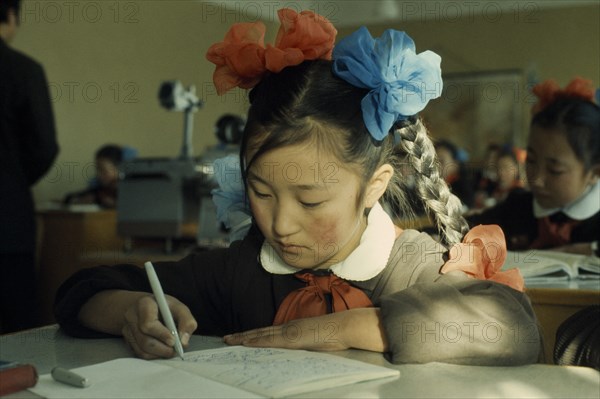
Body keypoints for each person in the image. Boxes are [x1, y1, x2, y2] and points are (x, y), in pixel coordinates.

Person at [54, 10, 540, 365]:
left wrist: (353, 326)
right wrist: (128, 312)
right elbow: (83, 289)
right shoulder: (240, 270)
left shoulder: (411, 267)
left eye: (310, 199)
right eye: (261, 193)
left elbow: (513, 326)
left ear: (374, 186)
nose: (280, 224)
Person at [467, 77, 600, 254]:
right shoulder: (518, 207)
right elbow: (466, 228)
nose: (536, 180)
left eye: (555, 170)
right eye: (530, 160)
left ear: (594, 173)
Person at [0, 0, 59, 333]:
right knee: (16, 325)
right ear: (11, 15)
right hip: (7, 218)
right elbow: (44, 146)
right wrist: (15, 180)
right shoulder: (23, 69)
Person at [63, 144, 130, 209]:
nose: (99, 174)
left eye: (103, 170)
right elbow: (69, 197)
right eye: (97, 169)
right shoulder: (100, 190)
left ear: (119, 168)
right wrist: (79, 200)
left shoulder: (128, 191)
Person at [435, 139, 475, 209]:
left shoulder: (465, 184)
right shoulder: (434, 185)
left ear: (455, 163)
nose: (437, 166)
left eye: (442, 161)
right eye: (435, 162)